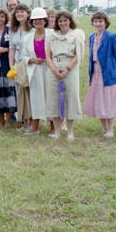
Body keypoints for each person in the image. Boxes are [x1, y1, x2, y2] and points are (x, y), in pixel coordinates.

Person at [45, 11, 85, 140]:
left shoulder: (77, 34)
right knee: (53, 98)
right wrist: (54, 70)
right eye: (60, 21)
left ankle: (70, 133)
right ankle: (56, 131)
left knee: (71, 98)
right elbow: (48, 55)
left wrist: (67, 69)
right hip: (53, 69)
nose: (63, 23)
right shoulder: (52, 35)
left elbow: (78, 54)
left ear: (70, 21)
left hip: (70, 68)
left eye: (65, 20)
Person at [85, 11, 116, 138]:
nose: (98, 24)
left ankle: (110, 129)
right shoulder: (92, 37)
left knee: (108, 100)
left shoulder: (112, 36)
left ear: (106, 23)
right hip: (95, 72)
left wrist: (113, 68)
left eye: (101, 21)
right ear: (92, 23)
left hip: (108, 73)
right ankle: (104, 127)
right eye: (96, 21)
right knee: (98, 99)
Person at [19, 7, 49, 135]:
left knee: (50, 98)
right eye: (35, 20)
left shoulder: (52, 35)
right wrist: (32, 60)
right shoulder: (27, 38)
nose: (38, 22)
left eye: (40, 19)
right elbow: (23, 55)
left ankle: (53, 125)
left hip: (49, 70)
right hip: (34, 70)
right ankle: (35, 126)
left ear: (45, 20)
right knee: (35, 98)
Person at [8, 3, 34, 130]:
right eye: (17, 12)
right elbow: (11, 48)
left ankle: (32, 123)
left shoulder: (33, 29)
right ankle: (24, 121)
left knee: (29, 94)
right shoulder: (13, 29)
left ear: (28, 14)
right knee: (20, 94)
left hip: (29, 64)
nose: (19, 14)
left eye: (22, 12)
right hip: (17, 65)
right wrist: (11, 65)